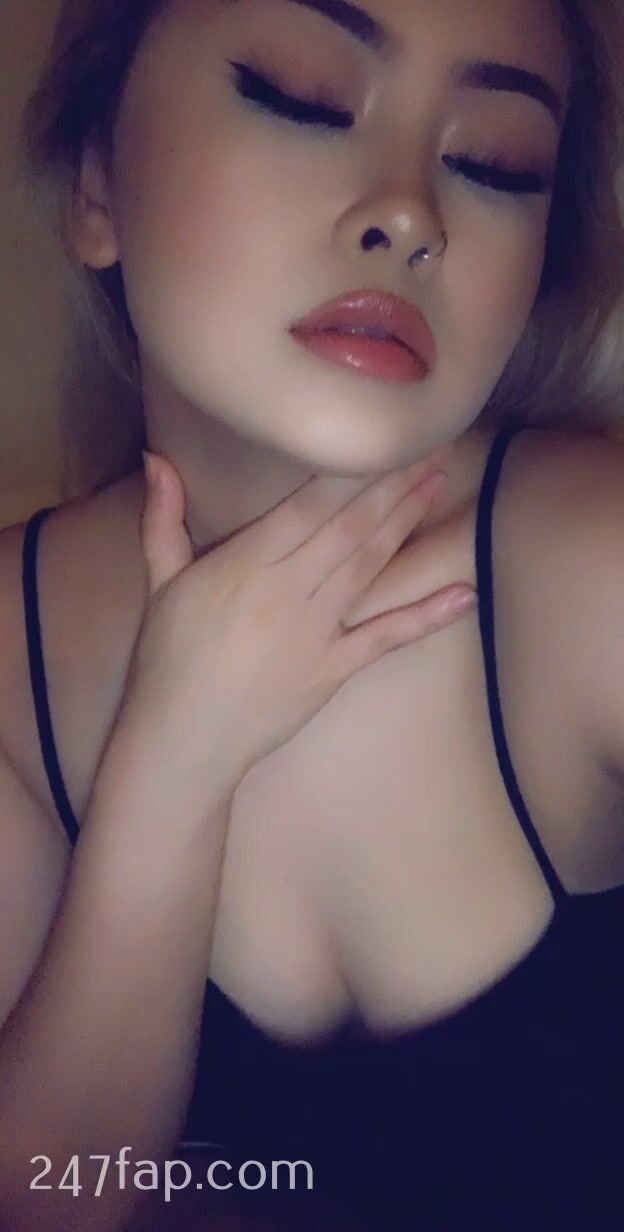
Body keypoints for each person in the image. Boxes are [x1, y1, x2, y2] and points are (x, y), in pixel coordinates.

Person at [1, 0, 624, 1229]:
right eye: (300, 97)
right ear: (97, 189)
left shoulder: (594, 565)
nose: (411, 212)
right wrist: (173, 765)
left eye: (496, 163)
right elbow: (48, 1200)